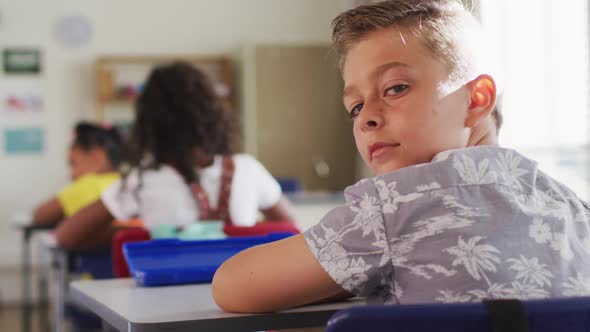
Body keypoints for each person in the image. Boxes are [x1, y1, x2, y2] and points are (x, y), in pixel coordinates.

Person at [211, 0, 590, 313]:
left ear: (476, 99)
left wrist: (351, 272)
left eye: (395, 88)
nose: (368, 118)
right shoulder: (572, 207)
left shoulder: (396, 205)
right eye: (355, 107)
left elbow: (232, 287)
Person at [54, 62, 295, 250]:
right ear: (215, 115)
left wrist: (125, 235)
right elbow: (291, 229)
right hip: (242, 301)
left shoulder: (143, 179)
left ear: (149, 124)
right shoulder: (248, 168)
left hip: (163, 308)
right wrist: (247, 231)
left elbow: (66, 236)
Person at [33, 122, 123, 226]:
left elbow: (41, 215)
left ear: (96, 158)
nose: (71, 176)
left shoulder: (91, 184)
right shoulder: (127, 181)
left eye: (73, 164)